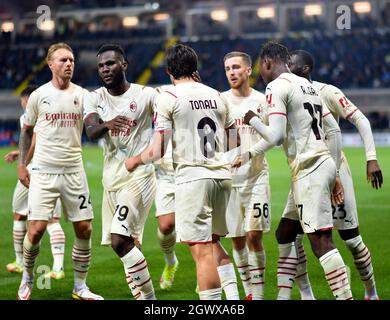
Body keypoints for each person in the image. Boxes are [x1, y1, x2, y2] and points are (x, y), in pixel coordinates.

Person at [237, 42, 353, 300]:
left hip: (308, 169)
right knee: (285, 232)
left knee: (321, 241)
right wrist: (333, 173)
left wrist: (252, 120)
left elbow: (276, 136)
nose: (260, 73)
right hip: (320, 163)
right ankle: (291, 296)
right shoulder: (308, 86)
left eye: (260, 67)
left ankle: (346, 297)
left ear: (267, 62)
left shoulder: (276, 86)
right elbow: (333, 130)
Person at [125, 44, 240, 300]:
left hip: (193, 179)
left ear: (169, 71)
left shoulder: (169, 97)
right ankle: (233, 300)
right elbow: (235, 140)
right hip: (222, 177)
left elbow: (157, 151)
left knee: (202, 251)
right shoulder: (218, 95)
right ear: (195, 68)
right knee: (213, 242)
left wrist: (135, 160)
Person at [289, 49, 383, 300]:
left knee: (351, 239)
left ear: (306, 69)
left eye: (292, 63)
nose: (286, 67)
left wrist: (371, 158)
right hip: (303, 174)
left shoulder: (326, 91)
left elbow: (361, 120)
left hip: (334, 169)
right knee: (291, 236)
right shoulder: (284, 92)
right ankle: (306, 294)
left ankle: (371, 292)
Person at [17, 42, 102, 300]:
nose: (69, 64)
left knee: (84, 229)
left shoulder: (83, 94)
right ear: (50, 64)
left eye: (72, 60)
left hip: (74, 171)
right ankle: (28, 278)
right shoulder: (38, 96)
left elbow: (92, 125)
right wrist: (22, 164)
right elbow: (27, 131)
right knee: (36, 229)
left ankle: (80, 287)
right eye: (63, 60)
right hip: (43, 171)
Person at [83, 44, 157, 300]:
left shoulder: (146, 95)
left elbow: (169, 112)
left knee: (119, 240)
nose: (105, 69)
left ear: (124, 65)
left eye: (111, 63)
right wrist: (106, 124)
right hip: (111, 180)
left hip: (139, 177)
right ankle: (143, 297)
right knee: (126, 246)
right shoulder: (94, 98)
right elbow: (91, 132)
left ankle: (150, 300)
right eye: (101, 65)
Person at [222, 52, 271, 300]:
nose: (231, 72)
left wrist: (249, 155)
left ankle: (258, 295)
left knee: (253, 235)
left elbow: (273, 137)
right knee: (237, 240)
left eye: (236, 67)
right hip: (230, 182)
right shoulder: (220, 101)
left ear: (248, 70)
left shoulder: (263, 101)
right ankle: (248, 291)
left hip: (256, 178)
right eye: (228, 68)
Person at [5, 85, 66, 280]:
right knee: (52, 220)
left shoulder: (29, 115)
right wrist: (20, 153)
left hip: (34, 171)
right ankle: (58, 268)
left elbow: (34, 142)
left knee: (19, 214)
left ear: (27, 100)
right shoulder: (52, 112)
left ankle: (20, 262)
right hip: (57, 169)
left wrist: (24, 162)